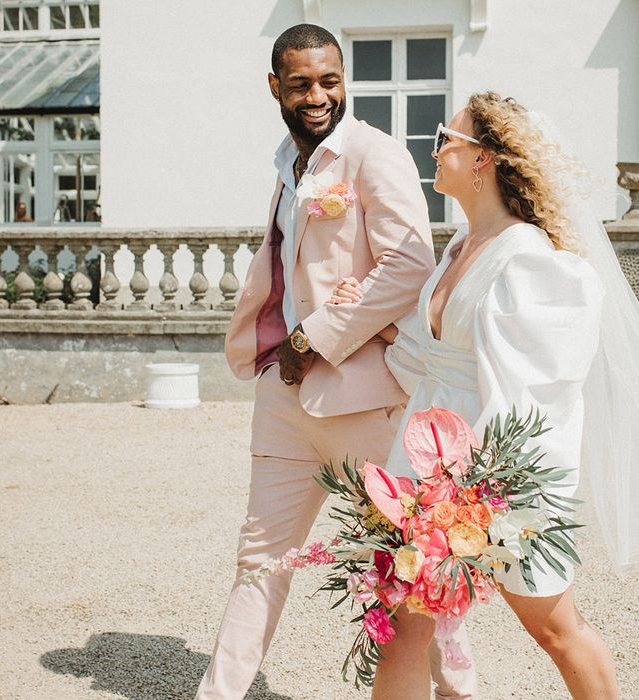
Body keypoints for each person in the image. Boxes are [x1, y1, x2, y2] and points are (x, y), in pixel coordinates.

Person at [331, 92, 639, 699]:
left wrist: (475, 500)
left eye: (445, 138)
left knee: (555, 629)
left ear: (484, 158)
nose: (434, 151)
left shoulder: (534, 264)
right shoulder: (458, 250)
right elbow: (426, 357)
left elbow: (536, 401)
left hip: (496, 481)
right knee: (401, 630)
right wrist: (361, 311)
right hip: (425, 468)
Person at [195, 24, 477, 700]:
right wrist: (279, 359)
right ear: (276, 88)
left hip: (363, 402)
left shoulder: (374, 155)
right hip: (284, 404)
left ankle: (461, 691)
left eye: (330, 80)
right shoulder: (286, 168)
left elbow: (410, 266)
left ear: (344, 78)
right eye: (301, 84)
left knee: (411, 566)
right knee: (258, 561)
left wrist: (309, 340)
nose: (319, 95)